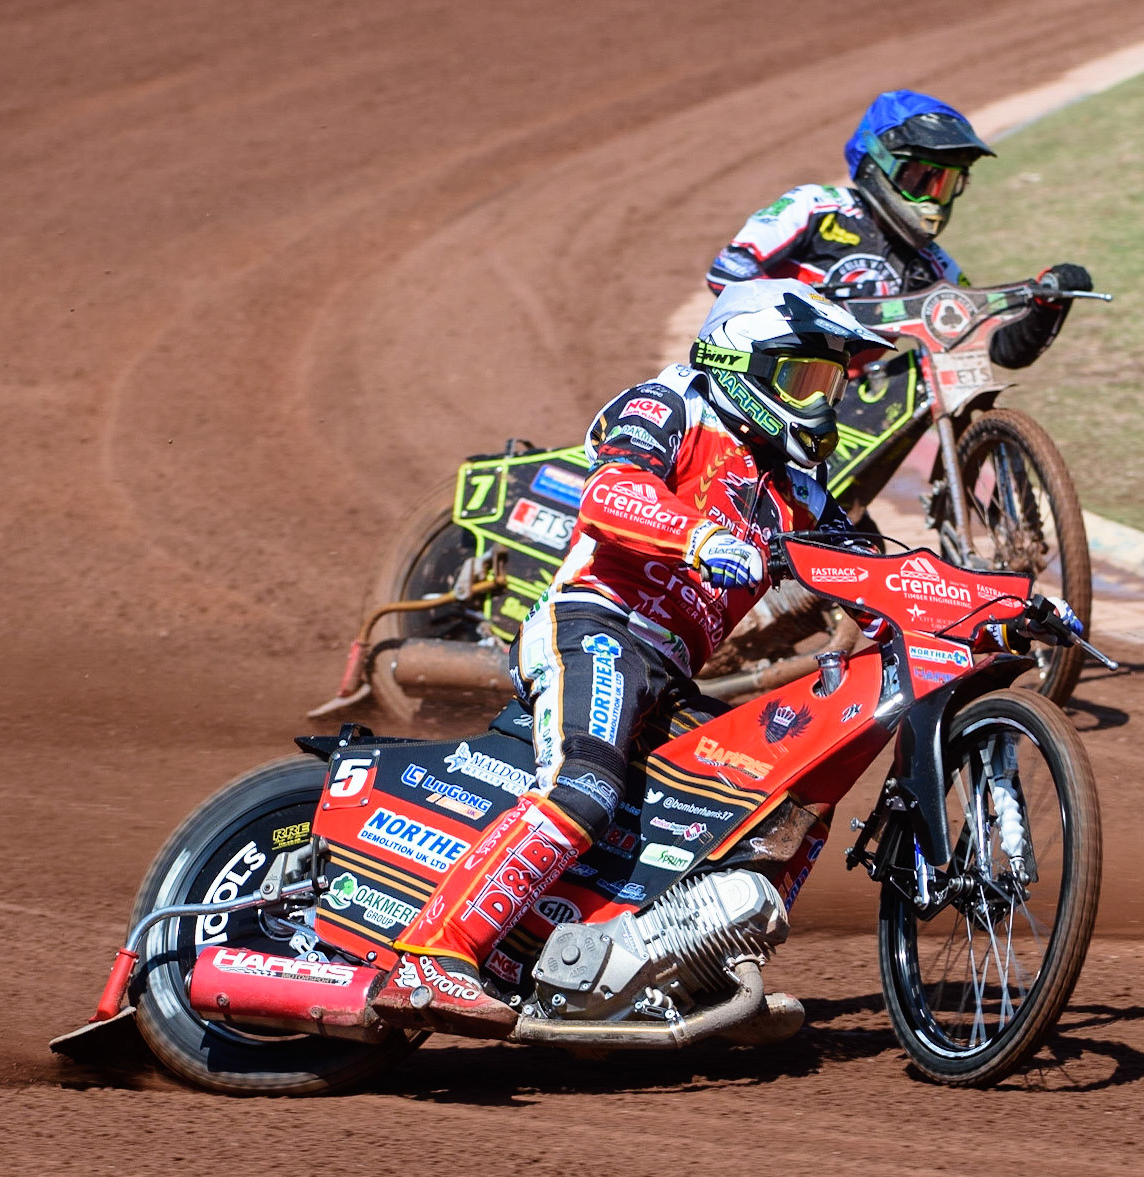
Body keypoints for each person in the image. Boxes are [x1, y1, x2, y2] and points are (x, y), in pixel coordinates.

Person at [372, 279, 889, 1037]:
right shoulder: (672, 402)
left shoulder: (799, 491)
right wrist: (701, 539)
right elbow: (611, 493)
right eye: (801, 378)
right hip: (595, 623)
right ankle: (431, 954)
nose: (818, 404)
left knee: (769, 793)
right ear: (741, 358)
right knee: (585, 784)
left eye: (829, 384)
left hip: (674, 672)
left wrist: (986, 607)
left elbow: (868, 569)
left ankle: (687, 972)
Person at [707, 89, 1089, 372]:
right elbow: (729, 270)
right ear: (878, 164)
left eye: (946, 183)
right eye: (922, 178)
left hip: (848, 396)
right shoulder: (815, 206)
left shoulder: (933, 268)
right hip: (759, 375)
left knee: (943, 368)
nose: (932, 198)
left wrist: (1047, 303)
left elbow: (999, 348)